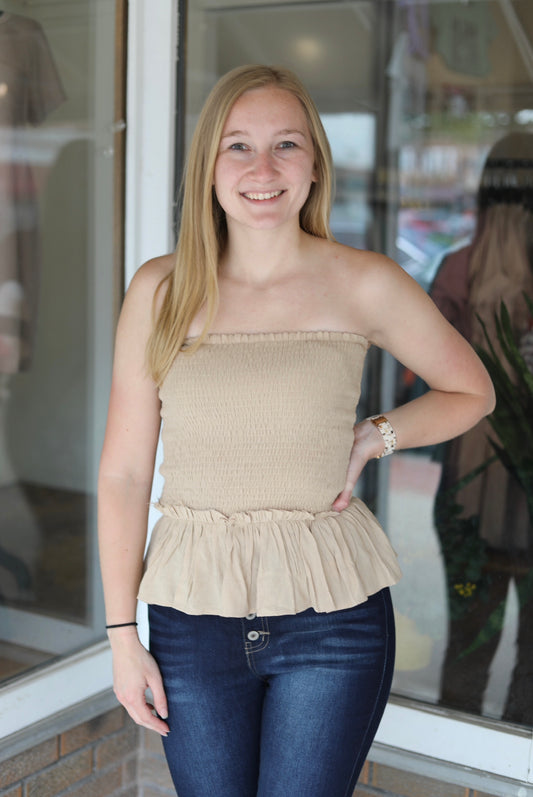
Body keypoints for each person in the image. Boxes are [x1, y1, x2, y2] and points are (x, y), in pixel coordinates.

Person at [98, 64, 494, 797]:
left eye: (286, 144)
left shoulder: (362, 280)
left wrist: (373, 436)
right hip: (194, 614)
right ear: (207, 166)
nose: (263, 168)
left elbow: (470, 389)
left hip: (331, 619)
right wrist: (122, 637)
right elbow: (122, 474)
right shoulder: (160, 290)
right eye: (237, 146)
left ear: (314, 163)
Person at [429, 132, 533, 724]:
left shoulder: (456, 270)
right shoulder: (459, 270)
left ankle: (457, 760)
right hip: (488, 497)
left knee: (469, 644)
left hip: (467, 496)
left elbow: (415, 382)